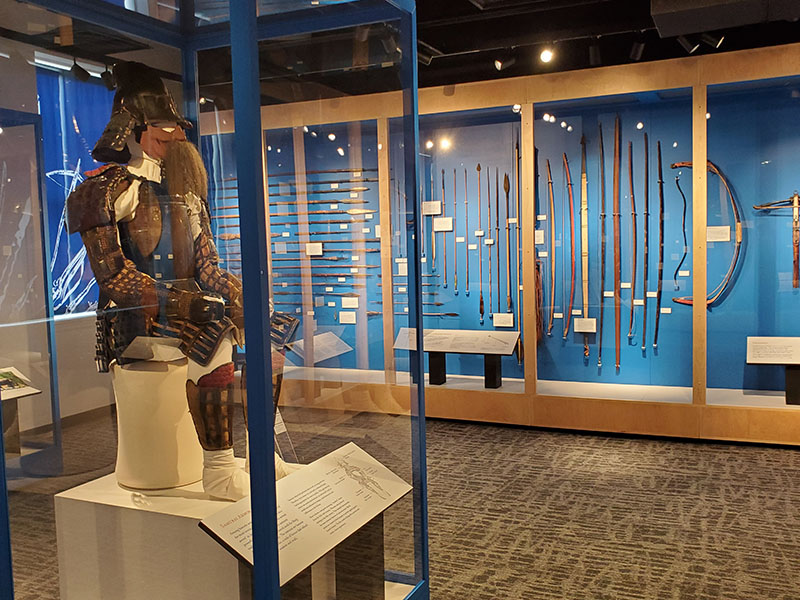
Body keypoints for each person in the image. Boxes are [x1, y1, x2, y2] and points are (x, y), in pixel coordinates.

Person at [67, 61, 253, 500]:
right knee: (217, 345)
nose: (174, 135)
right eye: (162, 127)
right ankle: (220, 472)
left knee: (269, 336)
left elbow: (206, 263)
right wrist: (186, 305)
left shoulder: (186, 190)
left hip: (184, 310)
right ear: (132, 129)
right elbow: (114, 275)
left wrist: (239, 295)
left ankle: (269, 454)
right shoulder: (103, 191)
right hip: (136, 318)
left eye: (176, 126)